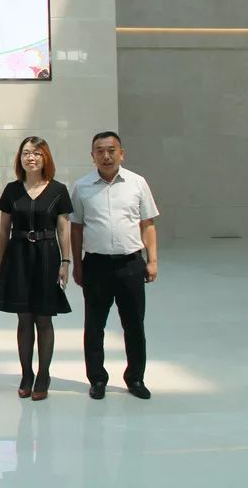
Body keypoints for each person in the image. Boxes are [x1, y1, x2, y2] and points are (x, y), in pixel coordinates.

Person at [71, 131, 159, 401]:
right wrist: (77, 264)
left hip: (130, 264)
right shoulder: (82, 187)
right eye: (100, 151)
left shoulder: (137, 183)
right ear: (92, 156)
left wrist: (152, 261)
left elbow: (147, 224)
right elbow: (76, 227)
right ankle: (97, 379)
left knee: (134, 325)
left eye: (111, 150)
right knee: (94, 326)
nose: (106, 156)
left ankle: (135, 378)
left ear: (122, 153)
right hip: (96, 265)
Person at [0, 136, 73, 401]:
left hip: (47, 256)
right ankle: (26, 373)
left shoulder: (58, 190)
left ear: (45, 157)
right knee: (24, 318)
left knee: (44, 318)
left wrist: (66, 262)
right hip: (18, 257)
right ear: (20, 158)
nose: (31, 157)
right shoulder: (12, 190)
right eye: (26, 153)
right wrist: (2, 262)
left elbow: (63, 229)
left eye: (36, 153)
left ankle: (43, 374)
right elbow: (3, 229)